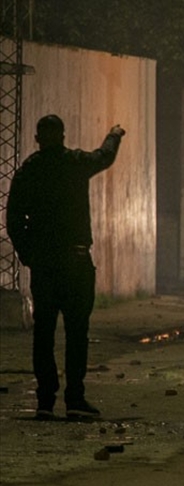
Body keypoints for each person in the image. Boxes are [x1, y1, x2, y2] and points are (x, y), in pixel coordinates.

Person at [6, 115, 126, 419]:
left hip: (44, 265)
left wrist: (27, 254)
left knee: (43, 334)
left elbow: (14, 219)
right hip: (75, 261)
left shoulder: (28, 171)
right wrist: (114, 134)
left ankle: (45, 401)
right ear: (62, 136)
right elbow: (104, 156)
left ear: (37, 139)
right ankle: (75, 400)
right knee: (76, 332)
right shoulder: (74, 163)